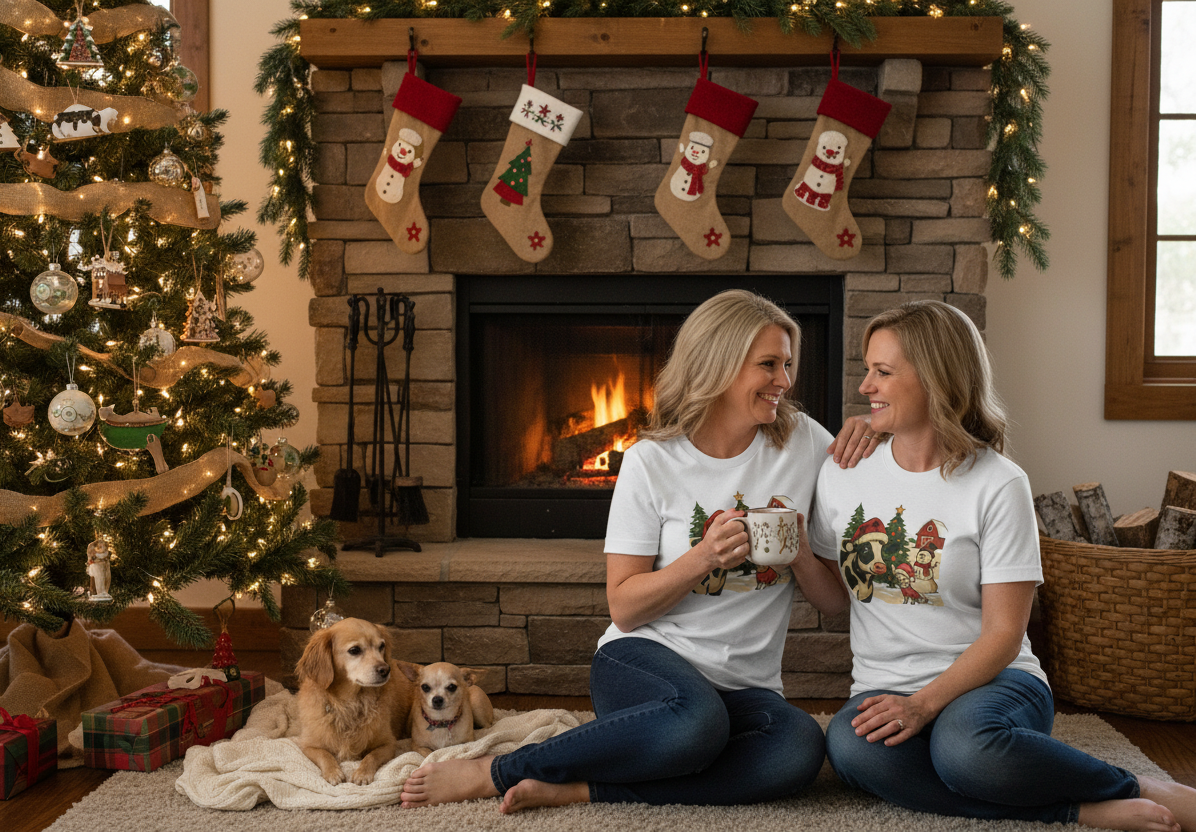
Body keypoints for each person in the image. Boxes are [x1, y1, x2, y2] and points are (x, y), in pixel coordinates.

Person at [400, 289, 875, 813]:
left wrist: (803, 550)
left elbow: (834, 603)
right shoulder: (651, 460)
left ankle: (585, 789)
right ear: (718, 365)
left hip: (747, 686)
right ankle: (496, 771)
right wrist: (703, 558)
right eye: (768, 365)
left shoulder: (805, 443)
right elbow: (623, 606)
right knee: (697, 724)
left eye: (788, 364)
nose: (784, 381)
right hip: (643, 661)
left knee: (798, 750)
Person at [807, 300, 1196, 832]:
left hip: (994, 681)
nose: (864, 387)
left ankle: (1134, 785)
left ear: (936, 378)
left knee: (965, 753)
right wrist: (794, 551)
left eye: (883, 372)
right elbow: (836, 602)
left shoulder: (998, 481)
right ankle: (1076, 808)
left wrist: (922, 706)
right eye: (867, 370)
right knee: (854, 754)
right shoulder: (843, 473)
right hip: (883, 688)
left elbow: (1004, 635)